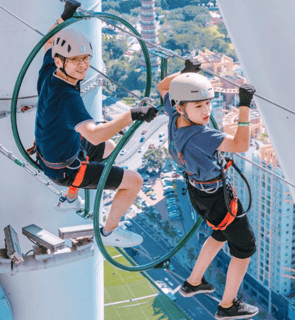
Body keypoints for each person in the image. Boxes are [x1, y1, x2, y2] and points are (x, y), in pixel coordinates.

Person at [33, 0, 157, 247]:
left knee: (110, 148)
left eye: (86, 58)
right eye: (76, 60)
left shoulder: (51, 72)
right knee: (134, 182)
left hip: (55, 152)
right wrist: (132, 114)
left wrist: (63, 18)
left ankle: (71, 196)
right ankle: (110, 232)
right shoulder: (68, 99)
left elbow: (48, 42)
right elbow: (94, 135)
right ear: (61, 61)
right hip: (65, 168)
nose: (83, 66)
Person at [157, 59, 258, 320]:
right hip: (217, 196)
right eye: (199, 105)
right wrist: (244, 106)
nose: (206, 111)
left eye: (208, 103)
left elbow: (162, 87)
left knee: (219, 234)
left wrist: (186, 75)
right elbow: (240, 144)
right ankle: (227, 306)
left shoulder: (173, 118)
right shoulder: (203, 135)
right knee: (244, 248)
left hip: (197, 192)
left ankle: (194, 281)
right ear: (182, 107)